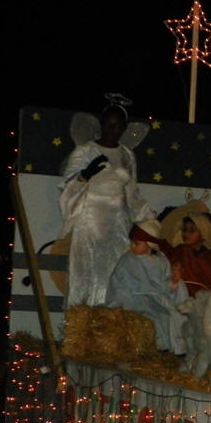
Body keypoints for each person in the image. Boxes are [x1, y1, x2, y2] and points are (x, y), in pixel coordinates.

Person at [58, 94, 156, 308]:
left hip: (118, 223)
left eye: (117, 126)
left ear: (123, 128)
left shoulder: (127, 155)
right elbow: (68, 187)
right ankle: (83, 317)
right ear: (101, 125)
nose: (112, 130)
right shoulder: (85, 151)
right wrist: (85, 175)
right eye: (108, 125)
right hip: (90, 221)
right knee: (86, 271)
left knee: (114, 271)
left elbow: (132, 192)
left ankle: (110, 318)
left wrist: (148, 218)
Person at [105, 219, 189, 352]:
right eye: (132, 243)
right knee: (156, 317)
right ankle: (161, 348)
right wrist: (158, 293)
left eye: (136, 243)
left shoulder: (162, 261)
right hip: (133, 300)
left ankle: (174, 349)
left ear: (150, 244)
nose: (132, 247)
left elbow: (164, 283)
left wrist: (174, 282)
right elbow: (128, 285)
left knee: (174, 315)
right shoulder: (128, 260)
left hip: (156, 299)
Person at [161, 212, 211, 302]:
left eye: (192, 230)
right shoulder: (180, 250)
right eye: (185, 230)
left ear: (203, 233)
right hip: (178, 298)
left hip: (203, 302)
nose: (186, 234)